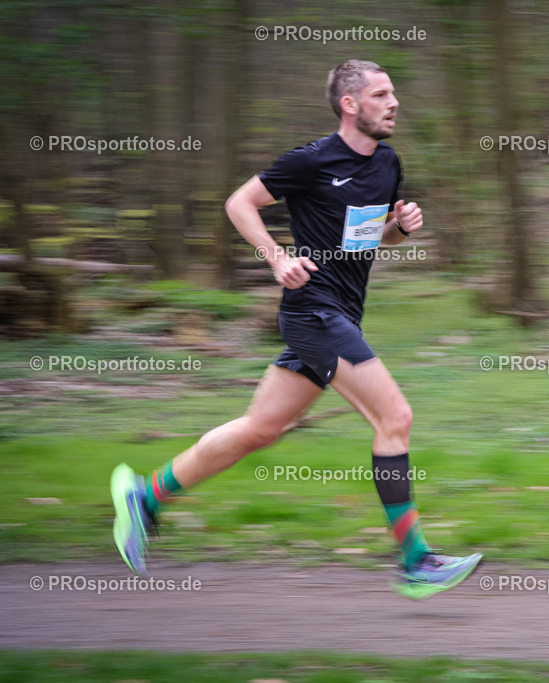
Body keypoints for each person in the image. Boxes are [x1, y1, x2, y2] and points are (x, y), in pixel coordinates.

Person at [110, 59, 481, 600]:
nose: (394, 102)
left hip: (342, 315)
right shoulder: (311, 160)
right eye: (381, 94)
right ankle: (416, 561)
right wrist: (277, 257)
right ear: (350, 104)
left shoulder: (387, 163)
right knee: (395, 417)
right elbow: (239, 203)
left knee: (260, 429)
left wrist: (399, 229)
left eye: (393, 93)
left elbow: (365, 240)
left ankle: (143, 498)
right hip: (313, 311)